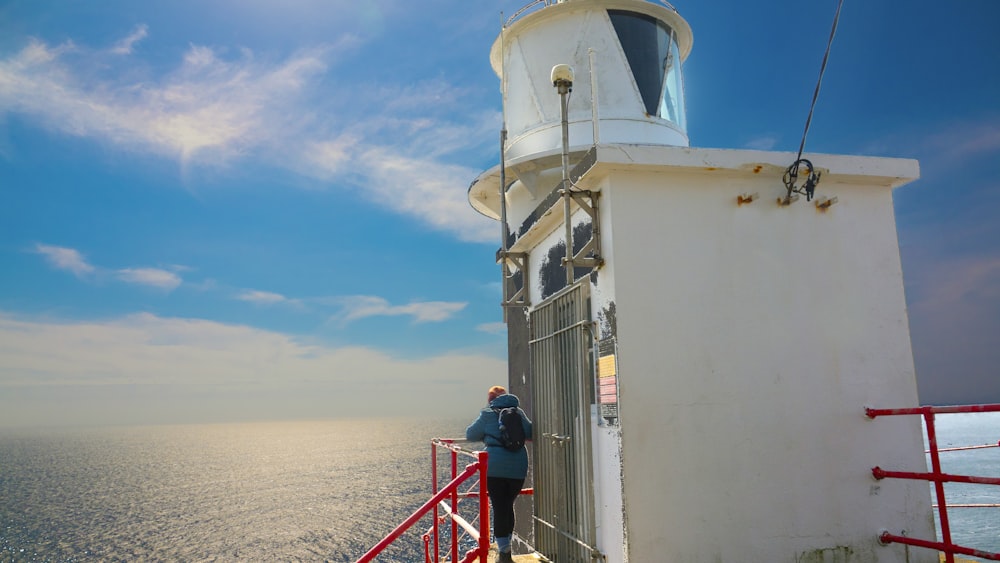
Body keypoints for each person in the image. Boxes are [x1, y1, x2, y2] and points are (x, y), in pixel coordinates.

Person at [466, 385, 532, 563]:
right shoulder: (518, 413)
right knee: (507, 506)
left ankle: (504, 554)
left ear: (490, 399)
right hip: (518, 467)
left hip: (495, 468)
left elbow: (470, 434)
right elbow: (530, 433)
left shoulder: (488, 414)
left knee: (499, 507)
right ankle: (506, 549)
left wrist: (488, 436)